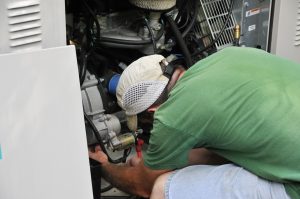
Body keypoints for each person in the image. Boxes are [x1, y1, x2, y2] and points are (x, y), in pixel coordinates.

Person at [89, 47, 300, 199]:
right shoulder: (224, 57)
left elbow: (141, 185)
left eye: (145, 118)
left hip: (295, 187)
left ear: (152, 111)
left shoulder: (171, 117)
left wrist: (105, 167)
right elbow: (210, 153)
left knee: (162, 188)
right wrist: (150, 165)